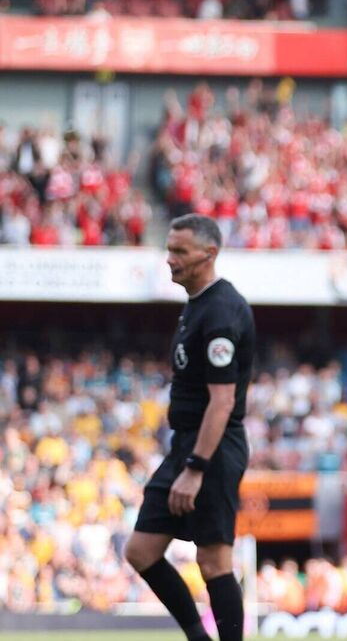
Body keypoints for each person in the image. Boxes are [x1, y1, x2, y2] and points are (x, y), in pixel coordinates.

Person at [124, 213, 256, 641]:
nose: (170, 259)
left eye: (180, 251)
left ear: (208, 254)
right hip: (185, 446)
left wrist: (196, 468)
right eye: (169, 249)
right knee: (141, 550)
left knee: (214, 561)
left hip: (211, 450)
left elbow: (223, 401)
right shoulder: (197, 304)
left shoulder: (221, 311)